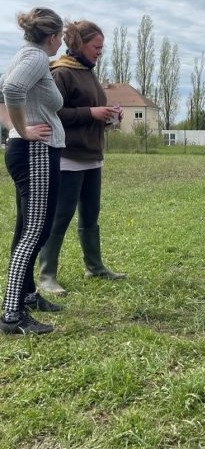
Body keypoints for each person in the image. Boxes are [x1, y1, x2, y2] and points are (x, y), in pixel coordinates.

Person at [38, 20, 126, 297]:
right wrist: (91, 113)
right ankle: (47, 275)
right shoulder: (61, 73)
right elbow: (52, 115)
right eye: (96, 46)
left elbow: (93, 111)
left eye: (102, 47)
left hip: (92, 156)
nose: (100, 51)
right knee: (60, 216)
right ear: (80, 44)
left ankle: (95, 266)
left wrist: (110, 116)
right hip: (68, 157)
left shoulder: (89, 73)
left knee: (90, 215)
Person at [0, 7, 65, 335]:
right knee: (35, 231)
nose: (62, 43)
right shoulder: (37, 58)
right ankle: (11, 314)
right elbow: (11, 89)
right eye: (61, 37)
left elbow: (8, 90)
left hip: (27, 150)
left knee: (26, 227)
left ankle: (25, 295)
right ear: (51, 36)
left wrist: (14, 129)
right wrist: (23, 130)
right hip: (35, 151)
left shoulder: (23, 55)